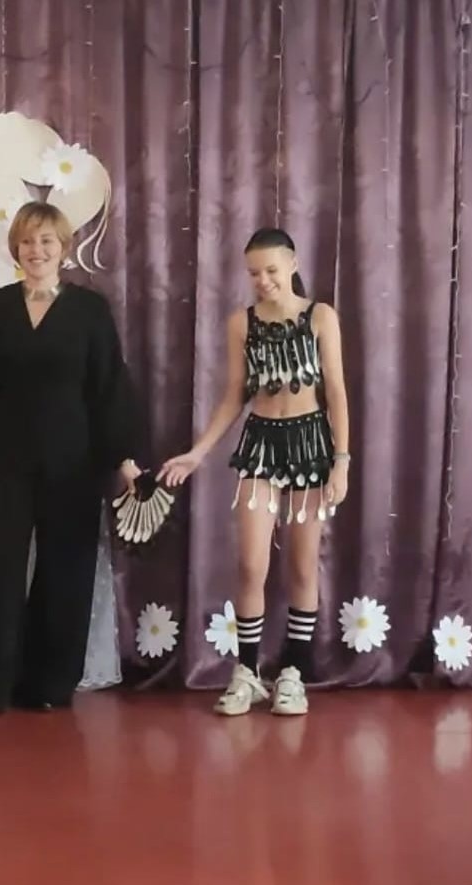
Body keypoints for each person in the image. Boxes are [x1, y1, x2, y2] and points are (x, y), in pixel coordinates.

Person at [0, 200, 142, 718]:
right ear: (16, 248)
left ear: (63, 248)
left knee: (66, 569)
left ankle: (49, 685)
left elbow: (109, 387)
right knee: (5, 568)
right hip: (9, 459)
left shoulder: (91, 310)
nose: (37, 250)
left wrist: (124, 458)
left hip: (76, 463)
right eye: (28, 241)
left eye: (46, 241)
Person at [159, 227, 350, 717]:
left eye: (270, 270)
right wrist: (198, 452)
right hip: (261, 446)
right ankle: (247, 673)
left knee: (302, 567)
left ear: (292, 264)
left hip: (311, 446)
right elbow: (234, 395)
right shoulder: (241, 324)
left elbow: (336, 392)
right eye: (253, 273)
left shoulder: (320, 317)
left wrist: (342, 461)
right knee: (250, 565)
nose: (262, 280)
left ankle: (294, 675)